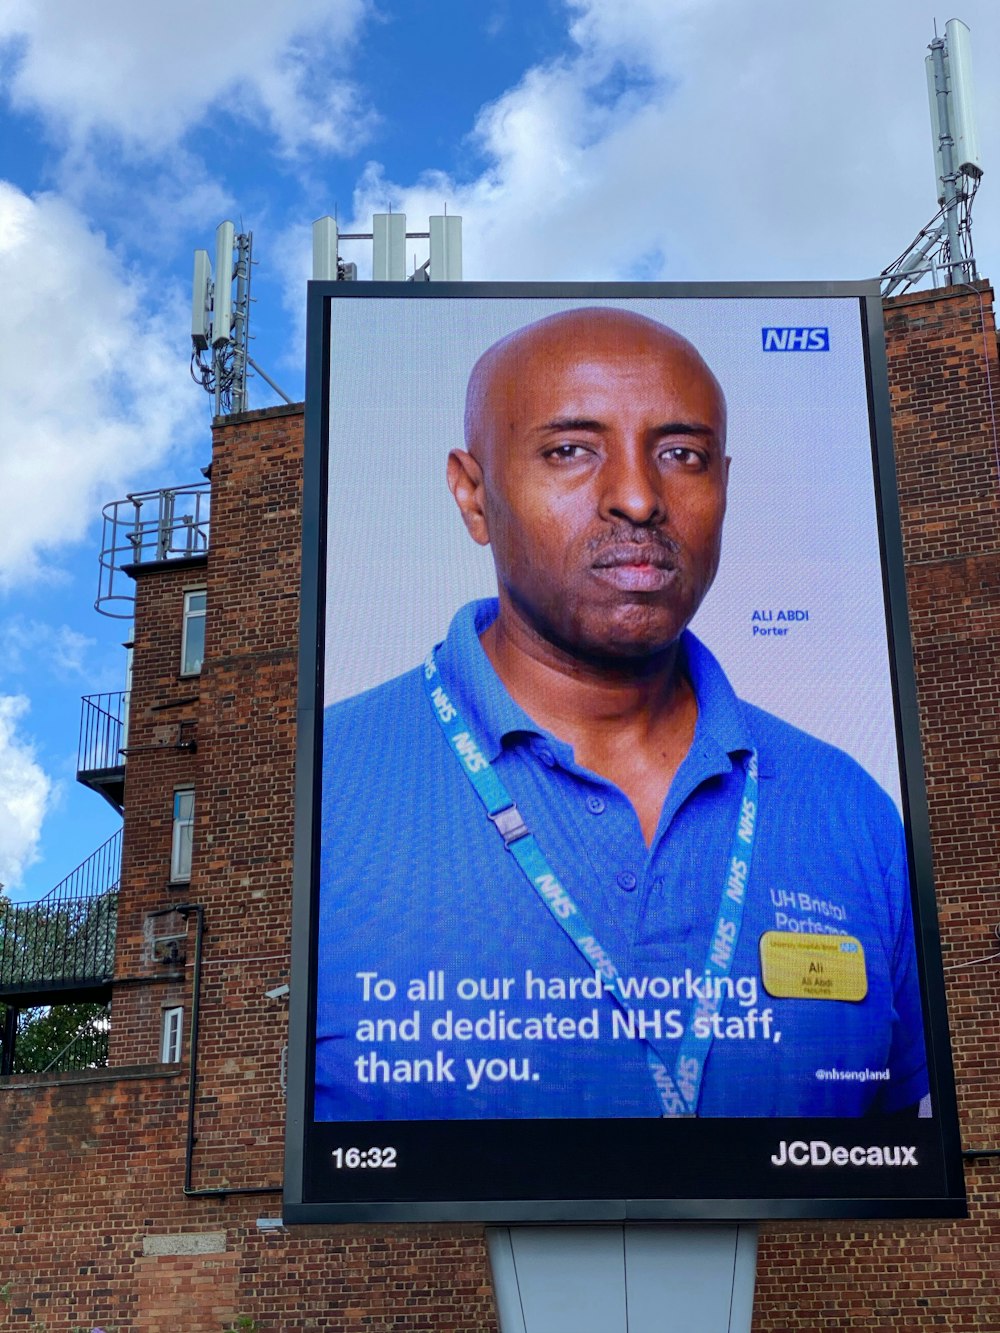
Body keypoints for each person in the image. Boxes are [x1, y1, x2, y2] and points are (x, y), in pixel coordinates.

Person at [315, 307, 928, 1121]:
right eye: (571, 450)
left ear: (724, 486)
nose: (639, 497)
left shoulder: (851, 812)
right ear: (473, 495)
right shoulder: (322, 790)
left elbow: (889, 1145)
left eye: (682, 454)